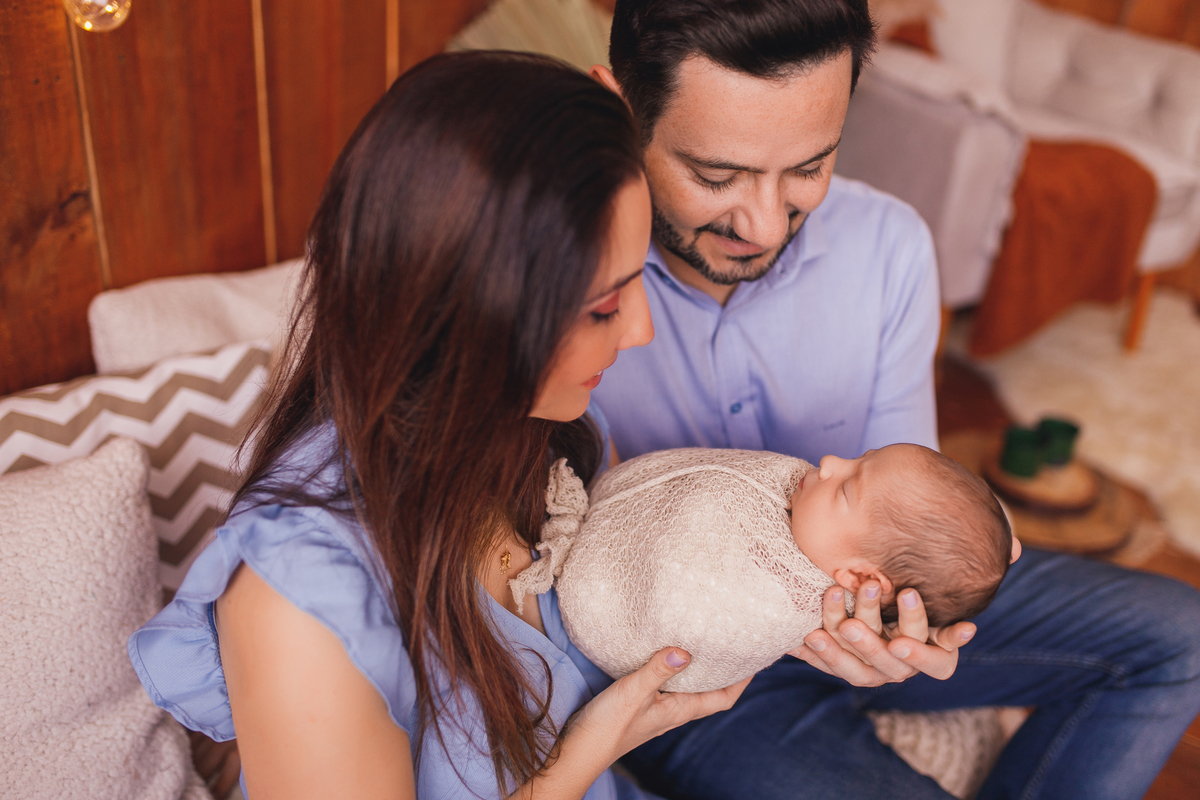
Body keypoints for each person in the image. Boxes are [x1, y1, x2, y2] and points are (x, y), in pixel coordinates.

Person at [587, 1, 1200, 798]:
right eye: (717, 175)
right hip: (702, 675)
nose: (766, 224)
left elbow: (915, 495)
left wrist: (918, 620)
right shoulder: (563, 273)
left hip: (878, 601)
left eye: (809, 166)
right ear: (618, 110)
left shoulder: (890, 246)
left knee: (1179, 639)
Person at [127, 51, 749, 800]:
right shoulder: (300, 603)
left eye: (635, 281)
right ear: (467, 315)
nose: (642, 331)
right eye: (602, 307)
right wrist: (588, 751)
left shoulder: (551, 429)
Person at [520, 443, 1013, 695]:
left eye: (845, 486)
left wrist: (981, 530)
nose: (828, 461)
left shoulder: (766, 605)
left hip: (654, 655)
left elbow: (684, 618)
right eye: (859, 457)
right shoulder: (792, 497)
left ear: (861, 581)